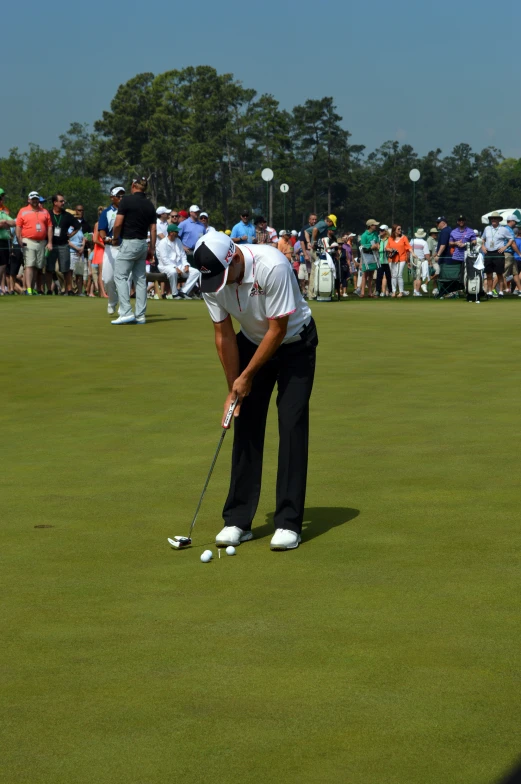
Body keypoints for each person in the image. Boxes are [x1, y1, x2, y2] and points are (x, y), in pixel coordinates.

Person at [193, 231, 318, 551]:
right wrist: (233, 390)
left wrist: (246, 376)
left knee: (291, 424)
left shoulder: (272, 266)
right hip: (250, 342)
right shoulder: (212, 278)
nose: (220, 285)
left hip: (294, 345)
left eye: (224, 276)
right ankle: (237, 519)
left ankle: (289, 523)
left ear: (234, 258)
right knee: (246, 422)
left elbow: (277, 331)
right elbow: (223, 335)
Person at [111, 176, 157, 325]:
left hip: (129, 242)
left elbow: (118, 224)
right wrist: (152, 249)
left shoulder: (126, 201)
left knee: (120, 276)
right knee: (140, 279)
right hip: (143, 243)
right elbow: (153, 229)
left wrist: (115, 238)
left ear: (133, 185)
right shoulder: (150, 204)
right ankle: (141, 315)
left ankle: (125, 312)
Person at [15, 191, 52, 295]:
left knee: (37, 266)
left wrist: (49, 242)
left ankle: (31, 287)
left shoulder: (44, 211)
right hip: (28, 240)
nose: (35, 201)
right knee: (29, 265)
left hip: (41, 242)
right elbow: (18, 226)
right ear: (29, 200)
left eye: (36, 199)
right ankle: (29, 289)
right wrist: (19, 239)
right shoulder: (23, 211)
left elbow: (49, 227)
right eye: (33, 199)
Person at [99, 186, 125, 314]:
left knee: (124, 278)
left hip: (125, 248)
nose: (121, 198)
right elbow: (102, 229)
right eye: (118, 196)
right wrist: (105, 238)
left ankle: (123, 305)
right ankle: (112, 300)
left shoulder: (128, 211)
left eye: (123, 196)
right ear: (112, 197)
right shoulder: (107, 212)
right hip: (110, 248)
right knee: (108, 279)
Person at [157, 224, 200, 298]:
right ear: (171, 233)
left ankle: (183, 291)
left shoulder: (178, 241)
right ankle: (175, 294)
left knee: (196, 272)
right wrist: (175, 268)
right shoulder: (162, 243)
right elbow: (164, 259)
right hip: (165, 266)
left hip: (179, 265)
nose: (178, 233)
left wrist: (186, 265)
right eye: (176, 232)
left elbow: (183, 255)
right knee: (173, 272)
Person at [481, 211, 515, 298]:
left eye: (495, 218)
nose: (493, 220)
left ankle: (501, 292)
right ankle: (489, 292)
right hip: (488, 253)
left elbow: (511, 239)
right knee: (489, 274)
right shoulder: (487, 228)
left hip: (498, 253)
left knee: (499, 273)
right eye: (492, 218)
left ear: (499, 220)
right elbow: (483, 239)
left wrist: (505, 247)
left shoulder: (503, 229)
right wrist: (483, 246)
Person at [386, 224, 411, 297]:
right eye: (398, 229)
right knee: (393, 275)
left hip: (402, 258)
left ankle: (401, 291)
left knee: (399, 275)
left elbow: (408, 248)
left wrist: (408, 260)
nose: (400, 230)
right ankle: (394, 291)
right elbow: (387, 248)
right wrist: (391, 249)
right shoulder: (391, 238)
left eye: (400, 229)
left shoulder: (404, 238)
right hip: (393, 259)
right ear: (394, 230)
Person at [359, 219, 380, 298]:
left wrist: (377, 246)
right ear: (370, 226)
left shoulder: (375, 234)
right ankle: (362, 292)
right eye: (374, 225)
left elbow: (377, 242)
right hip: (366, 255)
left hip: (374, 255)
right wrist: (371, 247)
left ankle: (370, 292)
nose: (376, 226)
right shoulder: (364, 235)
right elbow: (363, 247)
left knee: (371, 275)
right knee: (365, 274)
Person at [0, 199, 16, 294]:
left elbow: (13, 223)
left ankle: (1, 287)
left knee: (3, 266)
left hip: (4, 242)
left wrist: (5, 221)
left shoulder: (2, 213)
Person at [410, 229, 431, 296]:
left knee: (415, 277)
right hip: (420, 261)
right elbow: (427, 254)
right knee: (419, 277)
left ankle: (414, 291)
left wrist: (408, 261)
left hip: (412, 260)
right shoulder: (424, 242)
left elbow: (409, 251)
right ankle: (417, 291)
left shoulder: (412, 241)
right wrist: (429, 261)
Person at [503, 215, 521, 294]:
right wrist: (519, 253)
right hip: (508, 253)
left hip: (511, 254)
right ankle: (491, 290)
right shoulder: (509, 230)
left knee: (515, 272)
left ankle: (520, 289)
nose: (515, 223)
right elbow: (513, 244)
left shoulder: (507, 229)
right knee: (502, 273)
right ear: (512, 221)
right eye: (515, 221)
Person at [69, 224, 86, 295]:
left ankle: (79, 292)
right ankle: (71, 290)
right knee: (71, 273)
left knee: (79, 273)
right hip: (72, 252)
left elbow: (83, 239)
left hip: (80, 253)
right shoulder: (68, 228)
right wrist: (77, 249)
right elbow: (68, 241)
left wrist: (82, 247)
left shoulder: (79, 228)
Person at [376, 225, 391, 296]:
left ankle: (390, 291)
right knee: (379, 276)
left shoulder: (389, 239)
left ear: (386, 231)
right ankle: (377, 291)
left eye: (382, 230)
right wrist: (376, 246)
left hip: (388, 260)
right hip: (380, 260)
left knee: (389, 276)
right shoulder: (378, 239)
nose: (380, 232)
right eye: (380, 230)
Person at [426, 228, 439, 294]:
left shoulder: (435, 240)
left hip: (435, 260)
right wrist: (430, 261)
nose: (436, 234)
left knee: (436, 276)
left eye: (437, 233)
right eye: (435, 233)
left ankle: (435, 289)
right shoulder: (430, 240)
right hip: (432, 261)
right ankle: (425, 283)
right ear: (431, 234)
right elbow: (429, 251)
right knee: (437, 272)